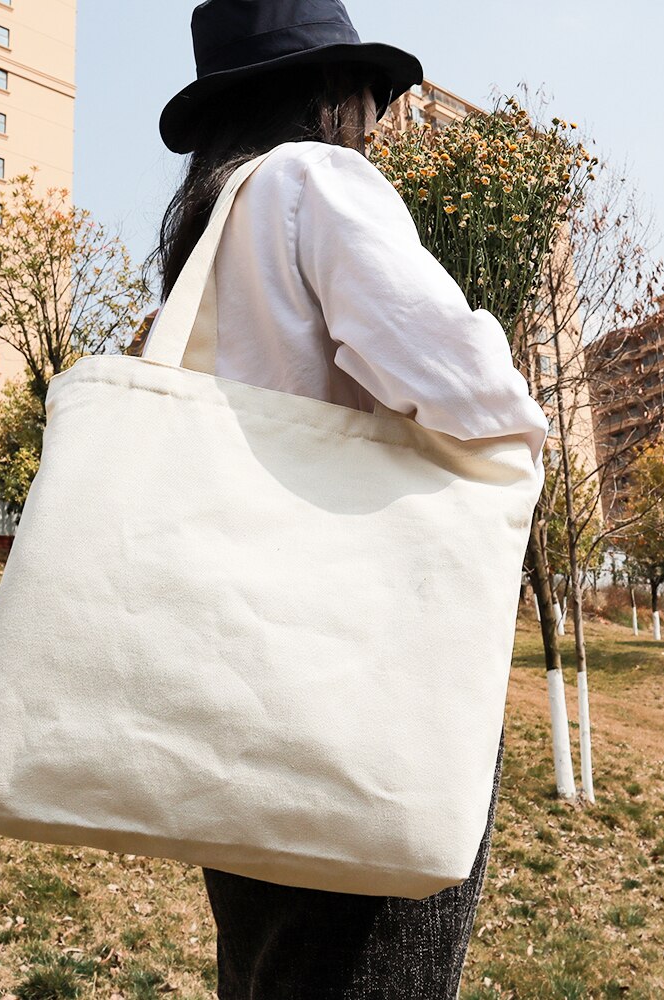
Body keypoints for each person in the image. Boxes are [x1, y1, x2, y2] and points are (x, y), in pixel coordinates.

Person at [154, 2, 550, 997]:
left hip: (236, 682)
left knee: (267, 969)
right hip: (359, 672)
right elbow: (471, 390)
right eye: (368, 99)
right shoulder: (312, 180)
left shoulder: (209, 232)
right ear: (328, 97)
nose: (373, 123)